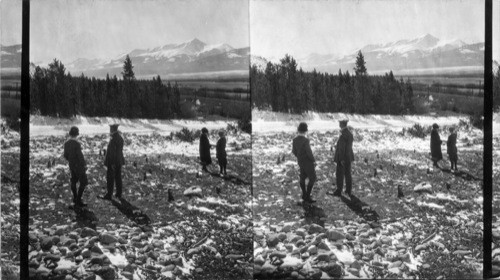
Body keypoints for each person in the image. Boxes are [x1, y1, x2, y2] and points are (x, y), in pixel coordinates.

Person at [63, 126, 88, 206]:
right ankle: (78, 199)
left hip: (72, 165)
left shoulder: (66, 143)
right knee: (83, 182)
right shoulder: (77, 144)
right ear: (77, 134)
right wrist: (84, 164)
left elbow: (65, 155)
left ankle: (75, 197)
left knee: (73, 181)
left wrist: (71, 161)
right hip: (79, 166)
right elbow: (80, 156)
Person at [292, 122, 317, 203]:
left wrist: (299, 157)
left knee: (302, 177)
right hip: (308, 162)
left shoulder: (295, 140)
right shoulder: (306, 140)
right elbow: (309, 152)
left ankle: (304, 194)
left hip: (300, 161)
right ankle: (307, 196)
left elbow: (294, 151)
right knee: (312, 178)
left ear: (298, 130)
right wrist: (313, 160)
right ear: (305, 131)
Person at [333, 119, 355, 197]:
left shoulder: (343, 135)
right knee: (348, 174)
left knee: (339, 174)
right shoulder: (350, 134)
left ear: (342, 124)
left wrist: (341, 159)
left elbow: (342, 148)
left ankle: (339, 190)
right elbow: (348, 147)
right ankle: (348, 190)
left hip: (342, 158)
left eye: (340, 123)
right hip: (349, 157)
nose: (339, 124)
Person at [103, 124, 125, 200]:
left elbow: (112, 153)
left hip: (113, 161)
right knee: (118, 177)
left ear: (112, 129)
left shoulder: (113, 139)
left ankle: (109, 194)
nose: (110, 130)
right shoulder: (120, 137)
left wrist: (111, 163)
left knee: (110, 178)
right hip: (119, 160)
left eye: (110, 129)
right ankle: (119, 193)